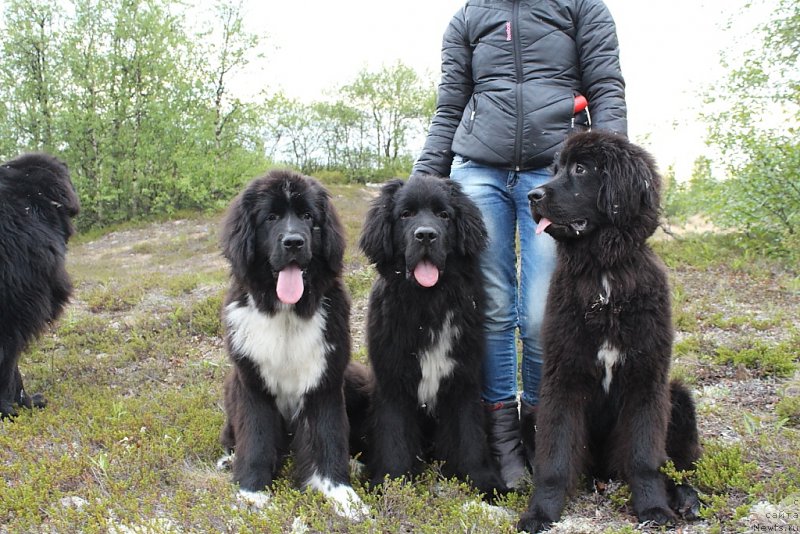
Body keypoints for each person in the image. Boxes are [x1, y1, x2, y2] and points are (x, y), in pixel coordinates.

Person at [412, 0, 627, 490]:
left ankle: (540, 428)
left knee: (538, 312)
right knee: (490, 307)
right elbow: (450, 104)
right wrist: (424, 179)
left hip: (555, 172)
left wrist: (608, 164)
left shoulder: (581, 8)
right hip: (477, 170)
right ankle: (502, 439)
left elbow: (607, 88)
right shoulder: (468, 17)